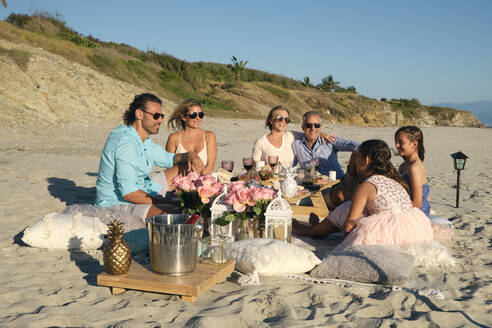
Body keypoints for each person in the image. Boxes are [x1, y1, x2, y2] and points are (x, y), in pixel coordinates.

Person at [293, 139, 433, 249]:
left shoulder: (368, 186)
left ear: (366, 160)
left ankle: (312, 231)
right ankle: (320, 229)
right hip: (413, 229)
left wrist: (348, 234)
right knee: (349, 209)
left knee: (345, 209)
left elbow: (349, 225)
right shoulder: (395, 180)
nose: (355, 161)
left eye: (357, 158)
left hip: (386, 234)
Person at [95, 93, 204, 222]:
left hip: (143, 185)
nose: (160, 120)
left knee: (185, 166)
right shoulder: (126, 143)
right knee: (173, 213)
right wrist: (165, 202)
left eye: (161, 116)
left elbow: (168, 159)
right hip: (117, 202)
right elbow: (129, 193)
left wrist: (190, 155)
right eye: (156, 116)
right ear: (139, 114)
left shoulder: (143, 139)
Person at [252, 106, 335, 169]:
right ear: (271, 121)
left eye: (286, 119)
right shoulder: (261, 142)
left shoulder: (291, 136)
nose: (283, 121)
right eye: (279, 118)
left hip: (290, 181)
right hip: (270, 182)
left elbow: (310, 132)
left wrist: (321, 133)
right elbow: (254, 166)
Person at [165, 99, 217, 177]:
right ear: (184, 117)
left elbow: (211, 166)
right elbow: (168, 165)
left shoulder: (209, 136)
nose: (197, 118)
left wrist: (196, 179)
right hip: (179, 184)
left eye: (200, 115)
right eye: (193, 115)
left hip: (203, 182)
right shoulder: (174, 138)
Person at [395, 126, 430, 216]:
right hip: (407, 208)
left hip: (417, 213)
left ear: (414, 144)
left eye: (401, 142)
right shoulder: (404, 166)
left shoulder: (415, 168)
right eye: (396, 142)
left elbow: (417, 203)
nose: (397, 145)